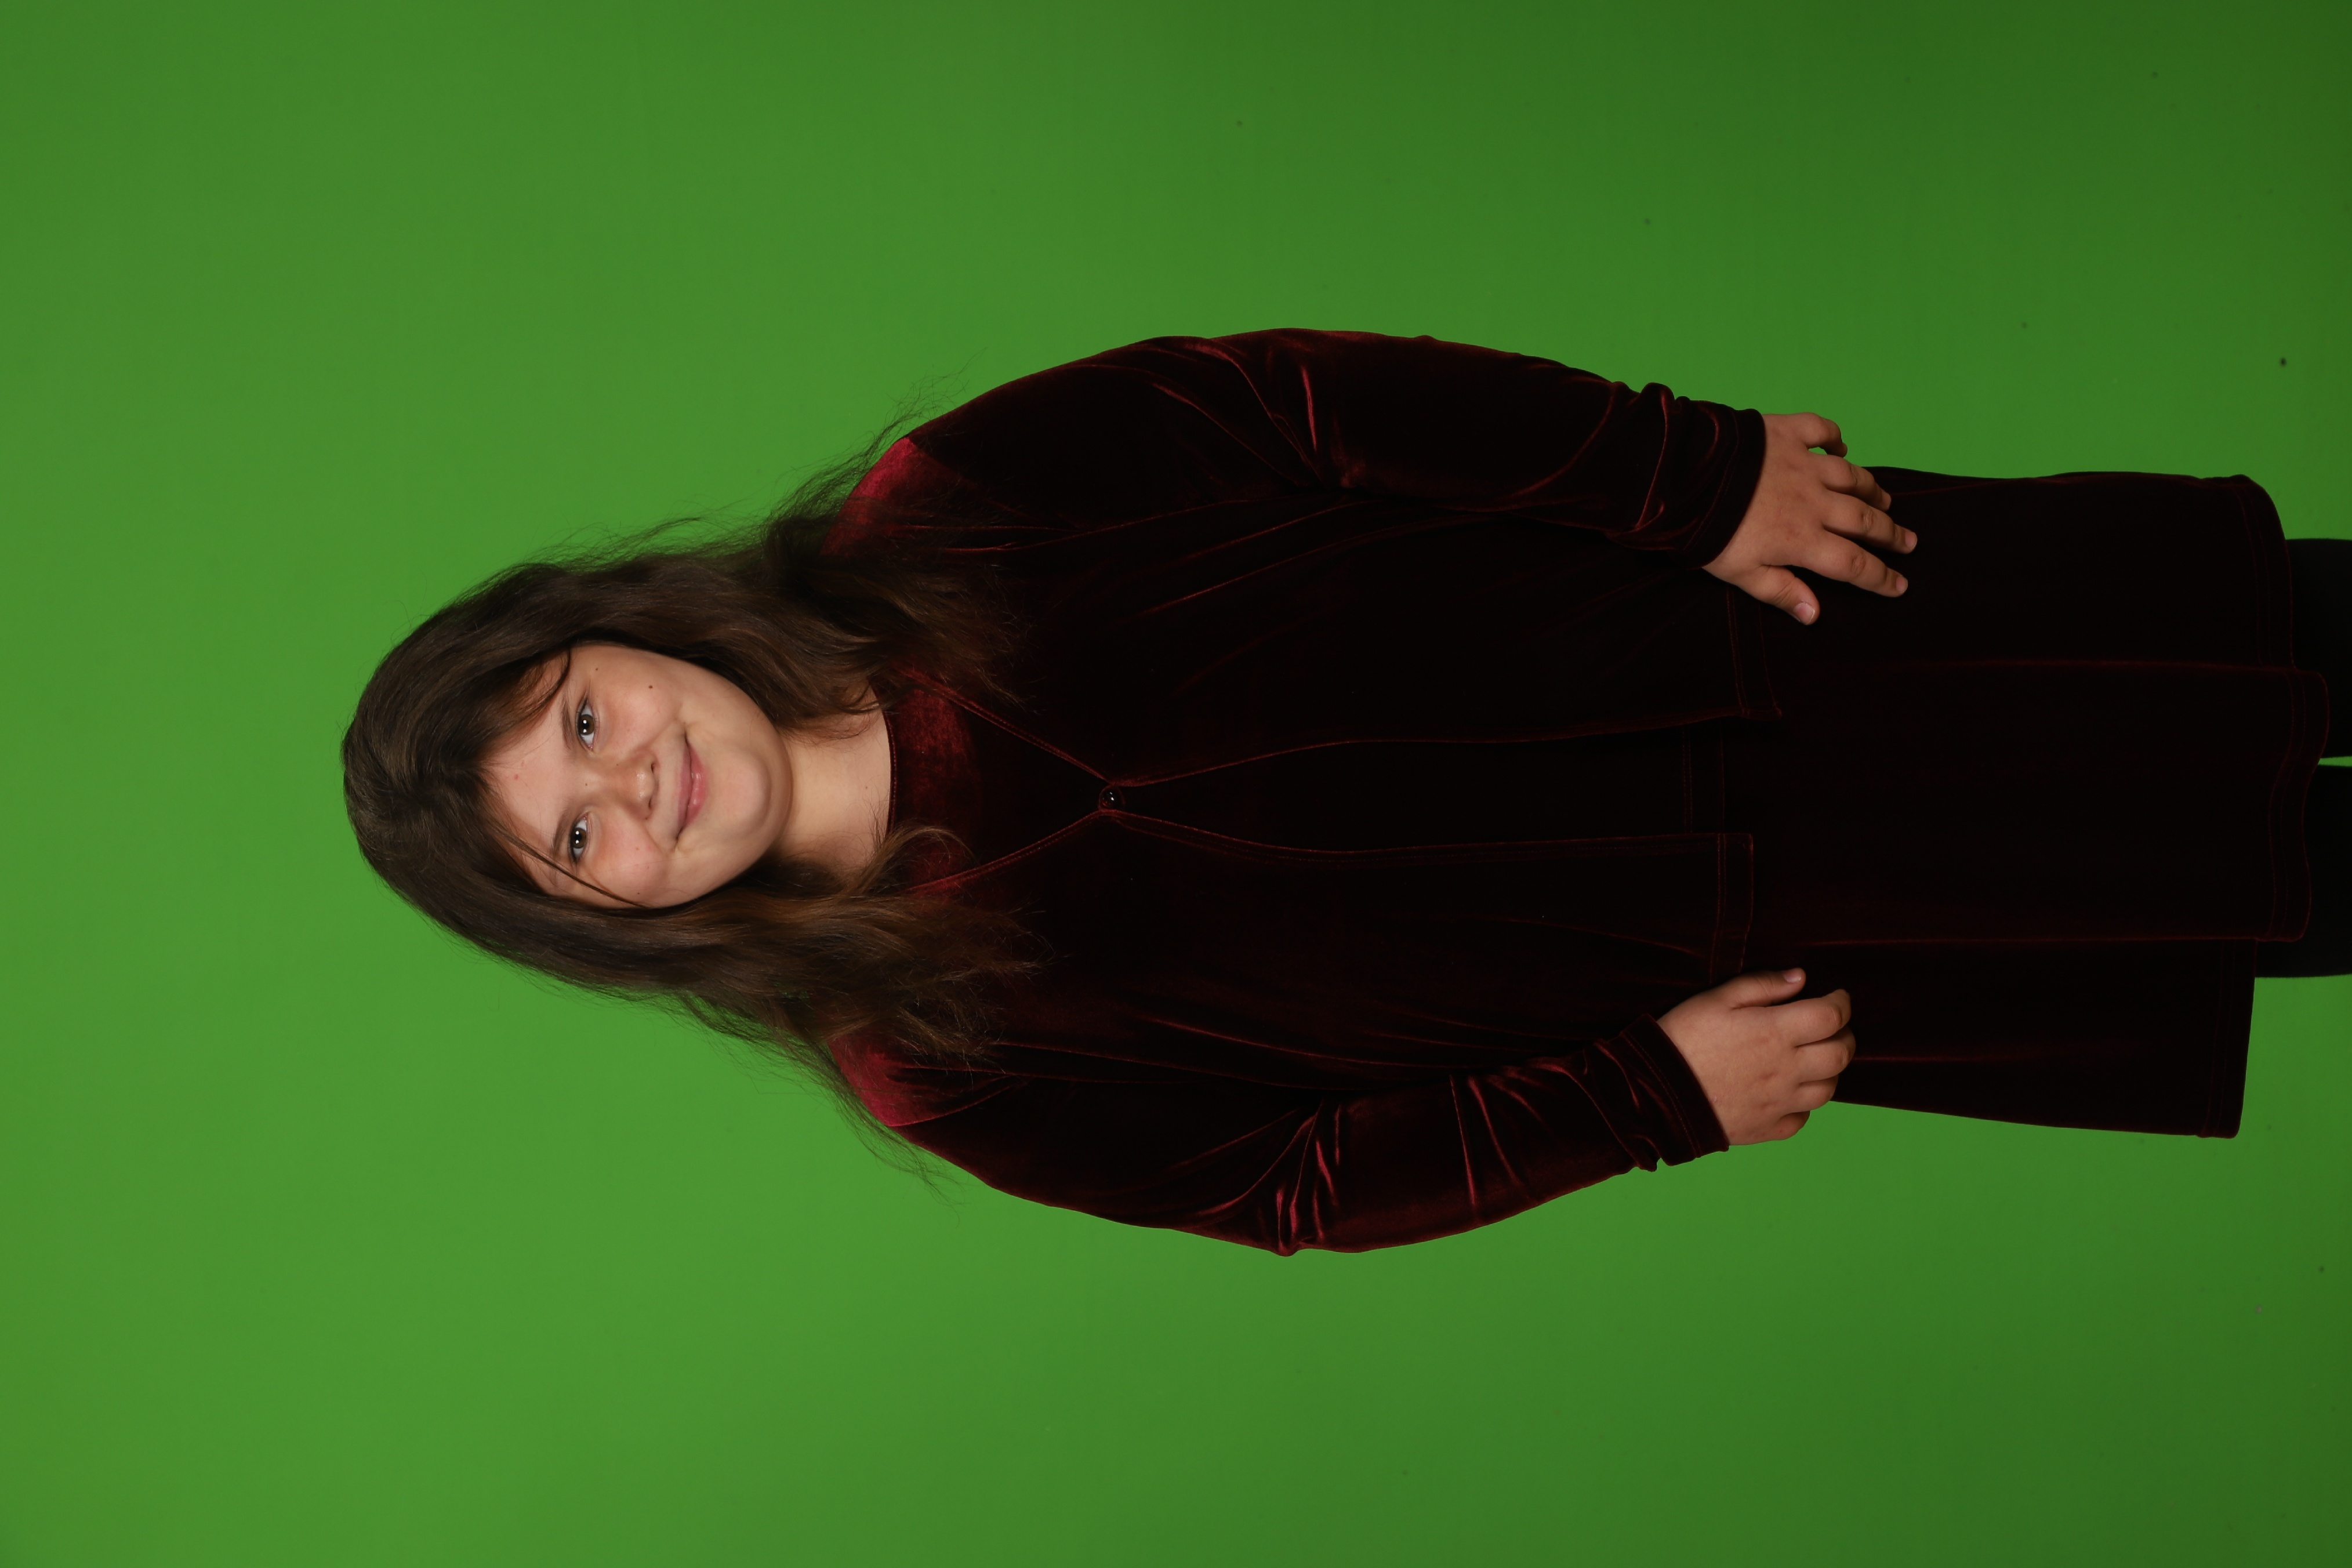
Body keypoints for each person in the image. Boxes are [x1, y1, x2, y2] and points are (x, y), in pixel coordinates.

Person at [344, 329, 2348, 1255]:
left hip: (1754, 624)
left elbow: (1307, 412)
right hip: (1767, 920)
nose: (637, 780)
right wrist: (1647, 1102)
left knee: (2261, 636)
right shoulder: (936, 1061)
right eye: (578, 838)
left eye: (583, 718)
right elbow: (1291, 1180)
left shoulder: (950, 505)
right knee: (2262, 880)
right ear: (611, 922)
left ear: (622, 633)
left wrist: (1687, 478)